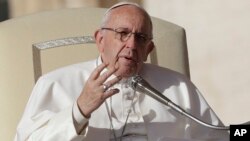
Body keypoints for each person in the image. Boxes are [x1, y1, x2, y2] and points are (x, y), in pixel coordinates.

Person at [15, 2, 229, 141]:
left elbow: (220, 136)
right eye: (122, 33)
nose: (132, 45)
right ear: (100, 40)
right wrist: (79, 111)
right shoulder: (56, 83)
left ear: (149, 50)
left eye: (141, 38)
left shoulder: (178, 87)